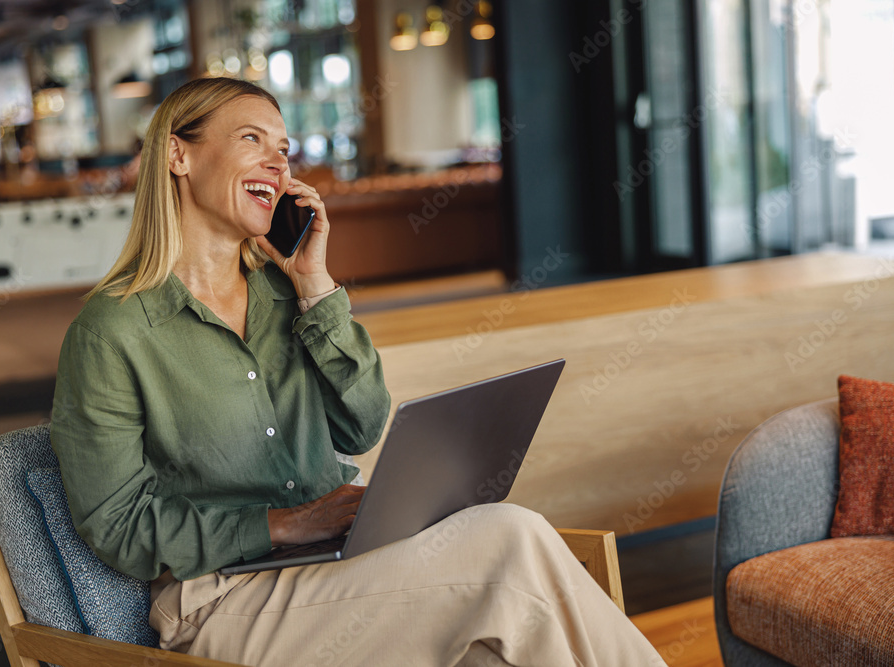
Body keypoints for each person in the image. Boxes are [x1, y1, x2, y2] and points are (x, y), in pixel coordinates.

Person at [49, 77, 664, 666]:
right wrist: (283, 525)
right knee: (508, 539)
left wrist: (315, 283)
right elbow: (118, 526)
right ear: (180, 156)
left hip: (339, 566)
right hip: (223, 605)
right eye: (252, 140)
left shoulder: (285, 293)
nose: (278, 165)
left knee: (505, 636)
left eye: (284, 149)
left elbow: (364, 425)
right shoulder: (112, 332)